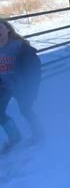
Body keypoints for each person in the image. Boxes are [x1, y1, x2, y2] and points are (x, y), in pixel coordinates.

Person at [0, 17, 41, 151]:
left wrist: (31, 88)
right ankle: (15, 137)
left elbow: (33, 68)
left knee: (26, 109)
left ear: (7, 29)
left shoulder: (19, 47)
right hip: (4, 86)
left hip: (21, 86)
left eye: (0, 27)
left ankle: (39, 134)